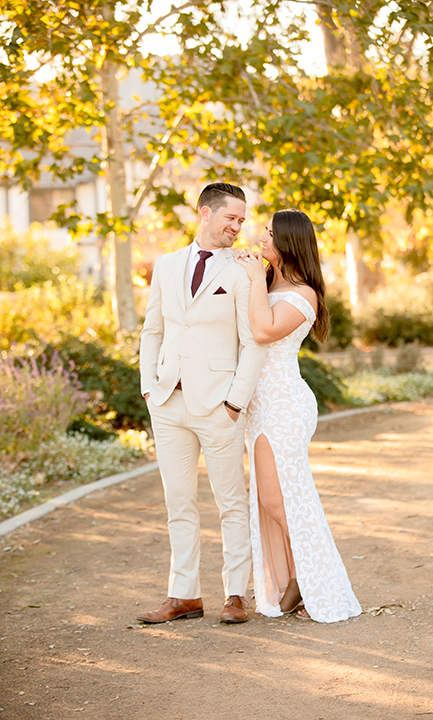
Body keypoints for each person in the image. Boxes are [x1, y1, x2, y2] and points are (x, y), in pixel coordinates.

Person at [137, 182, 267, 625]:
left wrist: (234, 402)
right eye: (231, 217)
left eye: (242, 220)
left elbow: (253, 343)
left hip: (217, 406)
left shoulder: (242, 271)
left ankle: (235, 595)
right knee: (179, 503)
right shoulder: (168, 265)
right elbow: (152, 331)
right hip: (168, 403)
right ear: (205, 213)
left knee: (231, 502)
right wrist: (148, 388)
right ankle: (184, 595)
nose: (238, 226)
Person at [234, 209, 361, 622]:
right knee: (274, 499)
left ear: (290, 241)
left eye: (270, 233)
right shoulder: (268, 281)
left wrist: (254, 279)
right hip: (258, 405)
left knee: (279, 499)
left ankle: (313, 580)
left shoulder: (303, 293)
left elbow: (264, 331)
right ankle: (293, 582)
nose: (260, 237)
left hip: (284, 404)